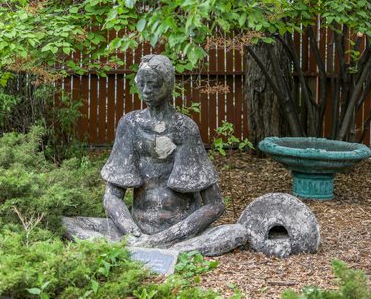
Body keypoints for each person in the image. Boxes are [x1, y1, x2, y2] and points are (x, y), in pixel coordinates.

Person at [63, 55, 246, 256]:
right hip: (136, 228)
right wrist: (131, 231)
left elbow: (215, 204)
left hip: (180, 233)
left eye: (153, 84)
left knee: (235, 232)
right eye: (142, 84)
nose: (146, 91)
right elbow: (112, 197)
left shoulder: (184, 128)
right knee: (67, 223)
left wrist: (167, 237)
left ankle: (153, 250)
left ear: (167, 85)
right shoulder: (130, 125)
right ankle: (145, 248)